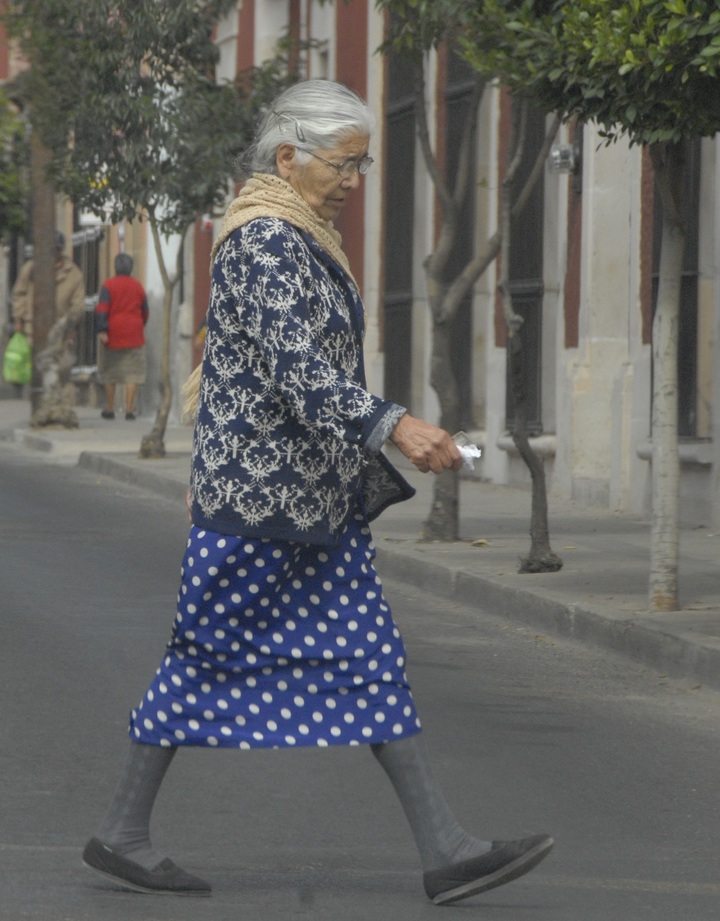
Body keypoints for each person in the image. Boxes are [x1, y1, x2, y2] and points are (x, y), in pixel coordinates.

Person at [82, 79, 553, 905]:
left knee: (370, 662)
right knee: (201, 661)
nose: (354, 178)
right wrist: (397, 425)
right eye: (345, 162)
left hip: (310, 506)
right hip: (259, 507)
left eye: (363, 163)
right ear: (289, 156)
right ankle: (123, 833)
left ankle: (446, 847)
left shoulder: (305, 238)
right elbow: (299, 373)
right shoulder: (265, 240)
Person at [95, 253, 149, 420]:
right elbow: (145, 311)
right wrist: (139, 325)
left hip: (113, 335)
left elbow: (102, 308)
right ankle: (129, 410)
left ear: (115, 267)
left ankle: (110, 409)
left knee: (110, 372)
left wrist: (102, 330)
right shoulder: (138, 286)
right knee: (132, 373)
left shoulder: (108, 286)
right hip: (134, 334)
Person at [11, 231, 85, 346]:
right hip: (30, 330)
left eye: (57, 249)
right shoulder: (30, 268)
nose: (53, 253)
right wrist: (19, 319)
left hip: (59, 333)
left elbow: (78, 305)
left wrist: (70, 326)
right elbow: (19, 293)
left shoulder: (74, 274)